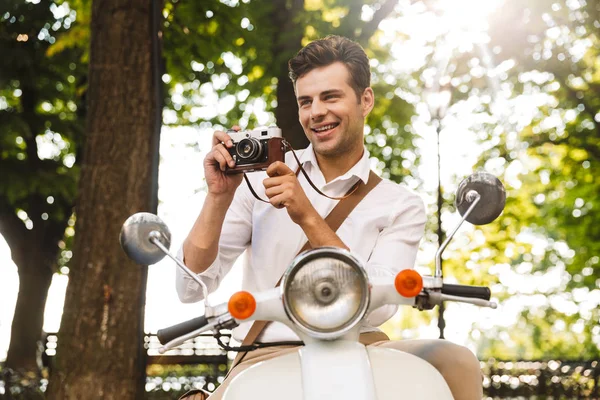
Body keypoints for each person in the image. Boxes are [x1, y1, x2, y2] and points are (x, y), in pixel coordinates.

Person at [176, 35, 482, 400]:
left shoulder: (400, 204)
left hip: (362, 347)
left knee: (457, 362)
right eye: (306, 101)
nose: (316, 112)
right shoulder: (258, 182)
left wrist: (307, 215)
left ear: (365, 100)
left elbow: (380, 304)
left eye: (330, 97)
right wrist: (217, 197)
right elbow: (190, 288)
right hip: (265, 354)